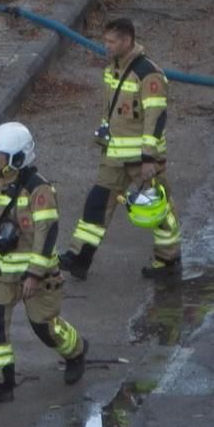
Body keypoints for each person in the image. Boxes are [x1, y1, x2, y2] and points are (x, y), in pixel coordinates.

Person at [0, 122, 87, 407]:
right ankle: (0, 384)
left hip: (38, 277)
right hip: (1, 271)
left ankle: (76, 351)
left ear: (18, 157)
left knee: (45, 327)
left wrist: (34, 274)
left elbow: (47, 234)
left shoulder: (38, 190)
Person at [61, 16, 181, 281]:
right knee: (96, 205)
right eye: (105, 41)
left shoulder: (148, 74)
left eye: (112, 41)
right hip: (114, 157)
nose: (107, 46)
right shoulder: (112, 69)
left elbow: (156, 117)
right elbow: (111, 111)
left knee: (159, 210)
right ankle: (79, 257)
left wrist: (149, 157)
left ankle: (168, 260)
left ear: (128, 41)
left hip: (142, 160)